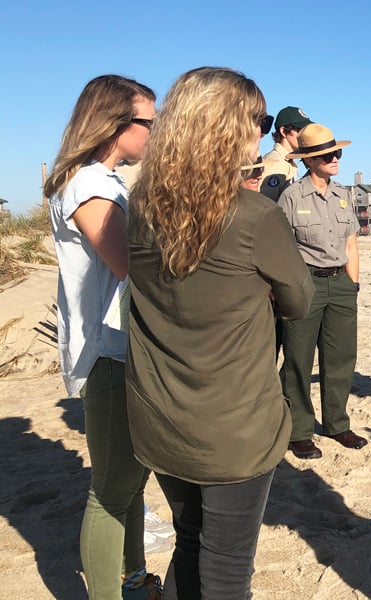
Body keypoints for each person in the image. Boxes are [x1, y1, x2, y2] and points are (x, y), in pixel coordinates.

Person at [126, 66, 314, 598]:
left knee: (189, 541)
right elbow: (298, 302)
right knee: (229, 566)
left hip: (159, 416)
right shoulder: (253, 215)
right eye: (257, 121)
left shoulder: (138, 208)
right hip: (233, 425)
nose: (262, 132)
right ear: (228, 129)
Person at [44, 74, 163, 600]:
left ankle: (132, 580)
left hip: (118, 348)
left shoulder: (102, 180)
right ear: (117, 124)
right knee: (112, 490)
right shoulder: (90, 184)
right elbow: (130, 265)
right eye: (149, 125)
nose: (154, 136)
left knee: (130, 483)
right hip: (108, 353)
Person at [278, 123, 366, 459]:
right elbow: (282, 247)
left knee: (341, 356)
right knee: (299, 359)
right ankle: (299, 430)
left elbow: (351, 242)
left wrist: (352, 284)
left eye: (337, 152)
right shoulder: (292, 196)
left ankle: (337, 424)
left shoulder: (344, 195)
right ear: (309, 161)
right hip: (306, 283)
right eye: (326, 155)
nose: (335, 158)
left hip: (341, 285)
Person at [260, 106, 313, 201]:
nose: (304, 135)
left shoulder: (288, 162)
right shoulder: (275, 164)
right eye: (300, 130)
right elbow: (265, 206)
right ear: (284, 131)